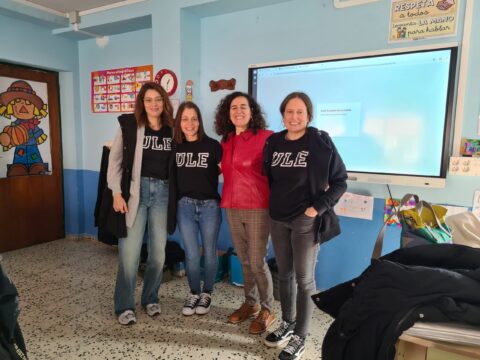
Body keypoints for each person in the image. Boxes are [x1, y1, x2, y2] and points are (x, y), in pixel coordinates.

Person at [263, 92, 347, 360]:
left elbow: (340, 181)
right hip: (277, 217)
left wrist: (316, 209)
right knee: (284, 274)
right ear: (283, 114)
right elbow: (271, 178)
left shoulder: (320, 142)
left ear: (309, 115)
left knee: (304, 279)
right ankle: (287, 322)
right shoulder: (274, 142)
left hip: (304, 220)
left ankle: (300, 335)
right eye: (289, 111)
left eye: (300, 112)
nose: (294, 117)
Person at [107, 81, 173, 325]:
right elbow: (114, 161)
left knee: (158, 254)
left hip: (163, 194)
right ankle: (124, 306)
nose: (154, 104)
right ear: (142, 103)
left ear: (164, 102)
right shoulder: (129, 126)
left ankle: (150, 298)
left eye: (158, 99)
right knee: (129, 255)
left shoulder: (172, 129)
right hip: (135, 193)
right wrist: (116, 193)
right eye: (148, 100)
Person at [214, 91, 275, 334]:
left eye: (243, 106)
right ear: (227, 114)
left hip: (258, 207)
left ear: (252, 111)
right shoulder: (226, 141)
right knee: (244, 260)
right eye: (233, 108)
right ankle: (251, 304)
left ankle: (268, 309)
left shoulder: (267, 138)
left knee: (257, 262)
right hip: (232, 206)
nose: (238, 111)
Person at [167, 101, 222, 316]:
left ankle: (206, 293)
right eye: (185, 119)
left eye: (194, 119)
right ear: (178, 122)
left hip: (209, 206)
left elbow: (222, 170)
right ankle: (193, 292)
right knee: (190, 254)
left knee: (209, 252)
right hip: (185, 207)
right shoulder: (175, 146)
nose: (190, 124)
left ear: (200, 121)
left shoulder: (213, 146)